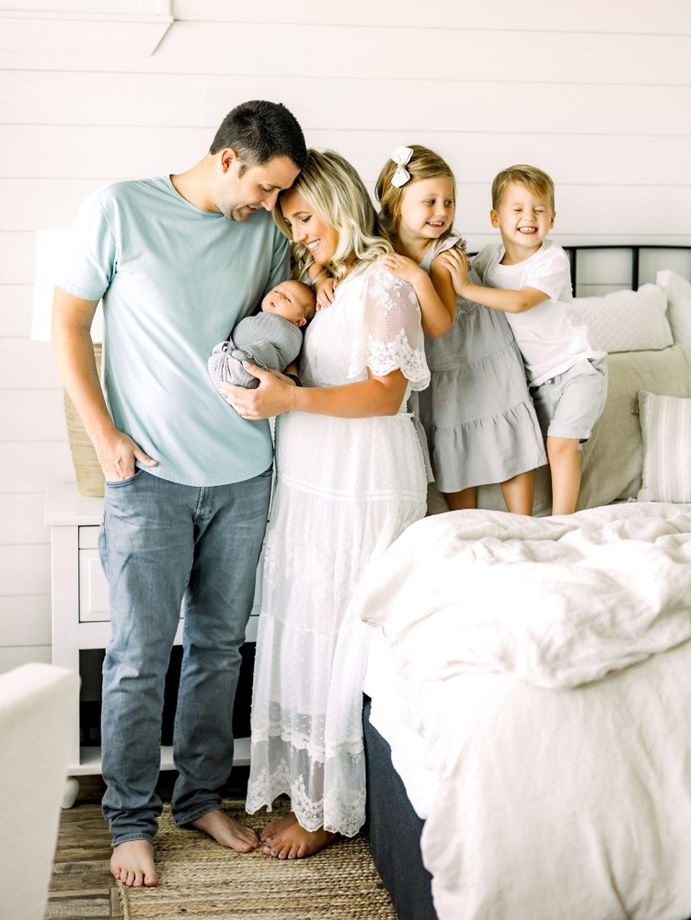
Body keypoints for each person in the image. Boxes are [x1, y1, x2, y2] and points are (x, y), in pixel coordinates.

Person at [50, 100, 307, 889]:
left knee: (218, 651)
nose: (270, 208)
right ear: (229, 159)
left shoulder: (262, 233)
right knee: (134, 661)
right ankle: (130, 821)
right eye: (265, 188)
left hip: (242, 476)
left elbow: (285, 324)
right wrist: (102, 433)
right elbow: (68, 324)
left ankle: (199, 799)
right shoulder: (120, 208)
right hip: (147, 478)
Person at [222, 148, 430, 859]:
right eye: (293, 224)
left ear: (340, 203)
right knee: (307, 613)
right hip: (315, 470)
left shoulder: (386, 286)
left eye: (307, 218)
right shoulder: (335, 284)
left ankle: (329, 805)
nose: (302, 234)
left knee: (343, 622)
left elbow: (388, 391)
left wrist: (293, 398)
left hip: (361, 472)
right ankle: (308, 781)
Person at [374, 144, 546, 514]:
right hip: (440, 367)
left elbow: (439, 325)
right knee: (453, 443)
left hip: (479, 348)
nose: (442, 212)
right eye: (430, 201)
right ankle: (464, 524)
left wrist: (418, 278)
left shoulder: (445, 252)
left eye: (449, 202)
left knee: (504, 428)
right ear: (397, 203)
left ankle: (525, 521)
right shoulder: (380, 245)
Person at [444, 163, 607, 515]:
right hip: (536, 382)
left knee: (561, 444)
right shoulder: (488, 260)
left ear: (552, 217)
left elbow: (520, 301)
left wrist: (467, 288)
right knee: (532, 448)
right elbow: (451, 272)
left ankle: (563, 525)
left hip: (578, 370)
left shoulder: (552, 259)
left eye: (539, 209)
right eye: (517, 209)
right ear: (495, 218)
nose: (528, 217)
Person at [207, 279, 315, 394]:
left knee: (255, 355)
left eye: (288, 299)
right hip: (231, 355)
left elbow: (285, 352)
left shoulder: (290, 333)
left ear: (298, 322)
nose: (278, 295)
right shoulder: (258, 314)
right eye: (276, 290)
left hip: (251, 368)